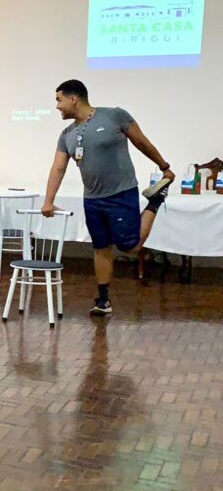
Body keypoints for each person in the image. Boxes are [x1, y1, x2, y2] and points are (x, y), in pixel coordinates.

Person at [42, 79, 174, 316]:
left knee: (131, 246)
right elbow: (58, 168)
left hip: (121, 193)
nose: (57, 106)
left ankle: (155, 201)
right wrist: (48, 201)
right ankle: (103, 299)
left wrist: (164, 167)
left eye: (59, 100)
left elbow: (141, 142)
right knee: (101, 247)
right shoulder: (66, 135)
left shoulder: (115, 116)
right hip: (92, 199)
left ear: (74, 98)